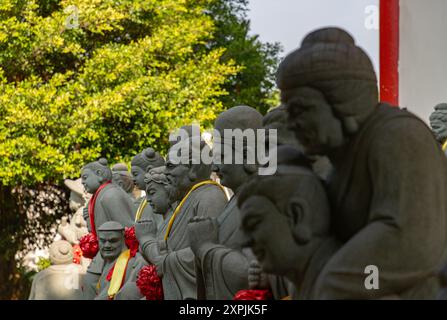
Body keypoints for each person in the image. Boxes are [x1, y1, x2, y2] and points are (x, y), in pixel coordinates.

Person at [278, 27, 447, 299]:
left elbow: (408, 239)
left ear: (342, 102)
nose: (291, 123)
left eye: (300, 109)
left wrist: (333, 282)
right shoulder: (339, 165)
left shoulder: (399, 137)